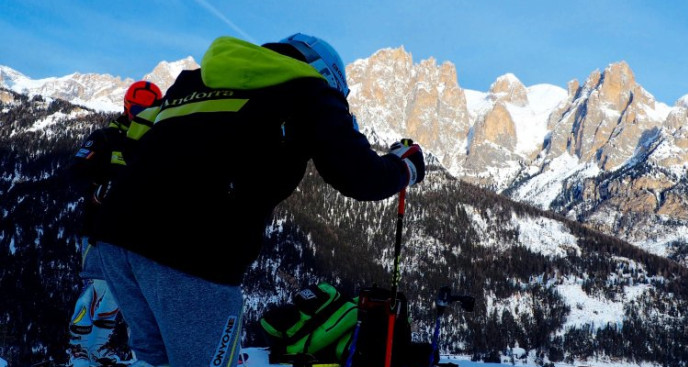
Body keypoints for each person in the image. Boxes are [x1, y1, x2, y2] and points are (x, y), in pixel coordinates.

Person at [91, 33, 425, 366]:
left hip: (115, 234)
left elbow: (137, 137)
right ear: (325, 74)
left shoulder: (193, 81)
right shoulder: (309, 89)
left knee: (155, 361)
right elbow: (362, 176)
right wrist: (405, 167)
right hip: (189, 249)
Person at [67, 81, 163, 367]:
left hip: (133, 233)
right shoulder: (106, 138)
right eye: (137, 108)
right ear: (126, 107)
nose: (142, 113)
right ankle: (78, 349)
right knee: (96, 287)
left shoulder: (155, 142)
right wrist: (100, 185)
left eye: (149, 109)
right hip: (99, 229)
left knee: (116, 292)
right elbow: (76, 170)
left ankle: (98, 348)